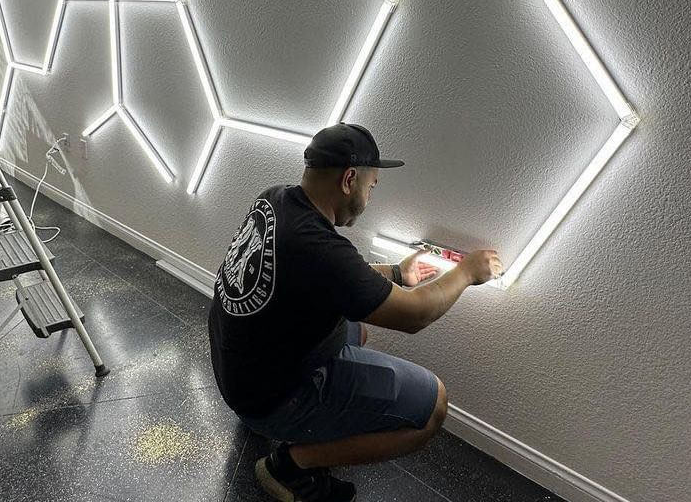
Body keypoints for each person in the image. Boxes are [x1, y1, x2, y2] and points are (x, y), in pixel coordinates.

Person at [208, 122, 502, 502]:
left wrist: (397, 273)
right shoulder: (320, 249)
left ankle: (289, 419)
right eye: (372, 186)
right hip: (266, 400)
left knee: (357, 327)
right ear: (349, 180)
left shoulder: (276, 199)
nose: (370, 196)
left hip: (238, 374)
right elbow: (415, 315)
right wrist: (467, 272)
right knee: (433, 406)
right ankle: (291, 466)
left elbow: (334, 276)